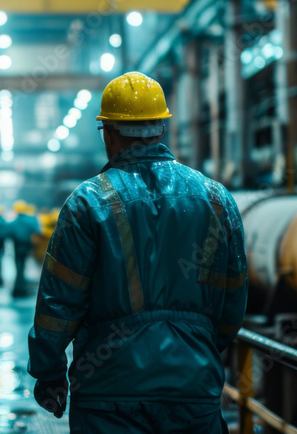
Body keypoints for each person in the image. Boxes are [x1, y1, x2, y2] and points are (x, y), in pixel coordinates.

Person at [27, 72, 247, 433]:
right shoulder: (217, 198)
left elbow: (59, 303)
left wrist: (49, 372)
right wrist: (195, 343)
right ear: (161, 128)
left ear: (108, 134)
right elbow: (233, 301)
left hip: (108, 393)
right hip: (191, 386)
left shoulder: (88, 203)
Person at [10, 201, 41, 297]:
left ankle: (18, 288)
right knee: (23, 266)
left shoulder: (15, 221)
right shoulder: (31, 220)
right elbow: (38, 231)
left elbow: (9, 231)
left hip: (17, 246)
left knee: (19, 266)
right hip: (27, 246)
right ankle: (22, 287)